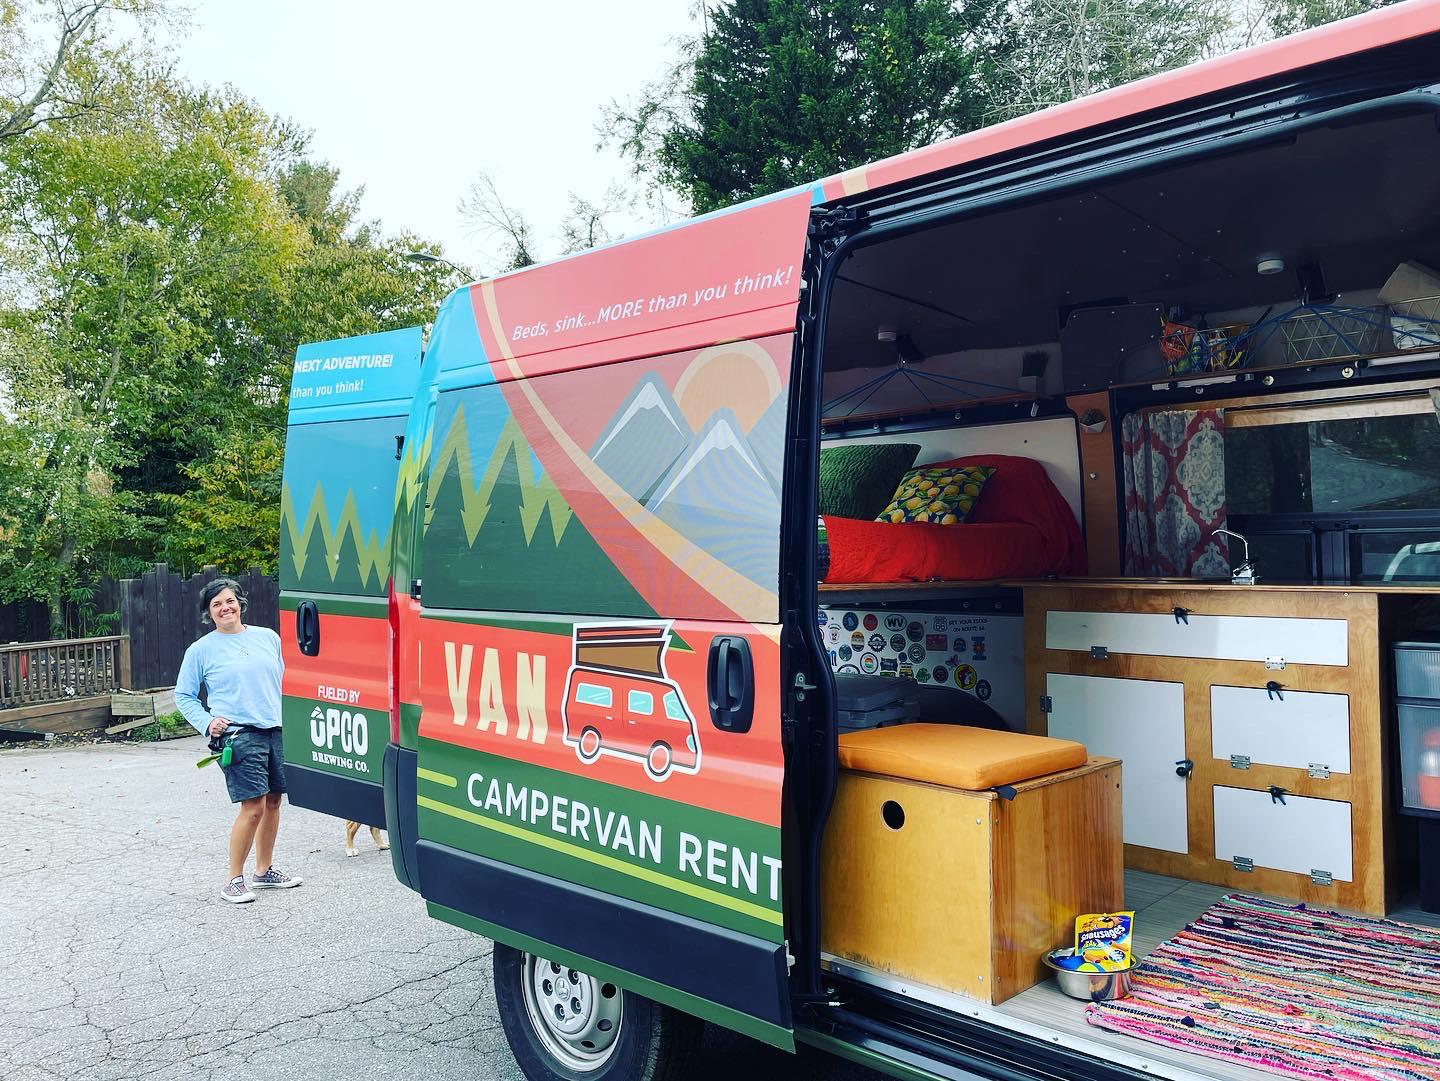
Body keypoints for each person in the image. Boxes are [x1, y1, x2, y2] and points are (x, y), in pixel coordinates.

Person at [175, 577, 301, 904]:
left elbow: (285, 679)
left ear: (240, 603)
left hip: (275, 729)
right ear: (209, 612)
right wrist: (207, 722)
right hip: (238, 734)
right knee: (253, 805)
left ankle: (264, 870)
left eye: (229, 601)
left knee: (273, 801)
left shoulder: (267, 637)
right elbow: (184, 695)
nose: (225, 608)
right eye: (216, 604)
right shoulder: (201, 650)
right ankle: (233, 879)